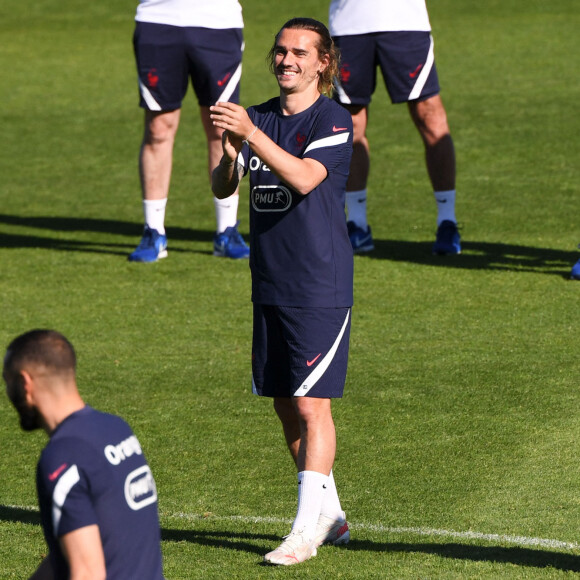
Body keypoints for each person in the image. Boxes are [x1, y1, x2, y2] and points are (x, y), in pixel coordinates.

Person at [211, 17, 353, 566]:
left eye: (300, 52)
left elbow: (302, 177)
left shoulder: (332, 120)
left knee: (312, 405)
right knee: (283, 404)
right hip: (269, 281)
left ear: (324, 63)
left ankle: (303, 533)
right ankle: (331, 513)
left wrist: (249, 134)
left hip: (318, 285)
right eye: (280, 50)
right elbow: (225, 185)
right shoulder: (261, 116)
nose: (286, 59)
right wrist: (229, 152)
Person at [3, 330, 165, 580]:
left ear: (25, 384)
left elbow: (88, 572)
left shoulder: (63, 457)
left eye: (8, 382)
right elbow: (81, 544)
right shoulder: (116, 429)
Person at [329, 0, 461, 255]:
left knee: (430, 116)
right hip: (349, 23)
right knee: (350, 123)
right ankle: (357, 224)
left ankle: (447, 221)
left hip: (405, 21)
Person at [129, 0, 250, 262]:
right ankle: (153, 231)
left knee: (222, 128)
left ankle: (227, 230)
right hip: (158, 18)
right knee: (158, 128)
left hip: (218, 22)